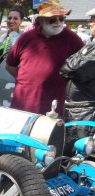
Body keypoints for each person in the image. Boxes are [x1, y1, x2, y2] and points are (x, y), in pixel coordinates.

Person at [6, 0, 83, 115]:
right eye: (52, 20)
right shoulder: (26, 38)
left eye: (61, 19)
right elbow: (10, 65)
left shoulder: (73, 39)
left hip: (53, 106)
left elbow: (82, 71)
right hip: (22, 103)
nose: (58, 23)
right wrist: (27, 81)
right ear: (41, 21)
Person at [60, 7, 95, 150]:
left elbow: (75, 70)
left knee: (78, 155)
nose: (90, 23)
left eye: (93, 20)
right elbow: (66, 68)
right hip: (77, 109)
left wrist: (72, 63)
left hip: (86, 111)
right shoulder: (91, 45)